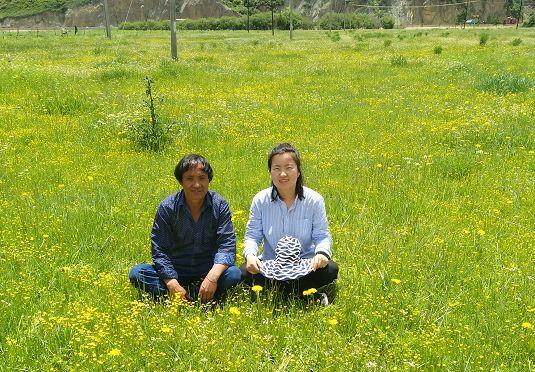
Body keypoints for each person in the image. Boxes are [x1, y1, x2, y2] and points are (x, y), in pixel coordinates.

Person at [129, 154, 241, 303]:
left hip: (207, 269)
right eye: (190, 178)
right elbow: (159, 250)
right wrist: (171, 282)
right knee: (137, 273)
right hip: (176, 269)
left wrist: (212, 278)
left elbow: (227, 246)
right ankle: (192, 295)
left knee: (234, 274)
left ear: (209, 180)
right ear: (181, 181)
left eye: (202, 178)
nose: (196, 184)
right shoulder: (167, 207)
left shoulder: (219, 205)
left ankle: (192, 294)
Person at [241, 143, 338, 305]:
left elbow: (322, 235)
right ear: (270, 172)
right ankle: (303, 294)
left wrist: (322, 254)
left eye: (289, 167)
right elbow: (253, 235)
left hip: (306, 264)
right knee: (242, 272)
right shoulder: (260, 200)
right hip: (271, 264)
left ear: (298, 171)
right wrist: (250, 255)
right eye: (276, 168)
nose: (283, 174)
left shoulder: (314, 200)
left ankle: (279, 293)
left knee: (331, 269)